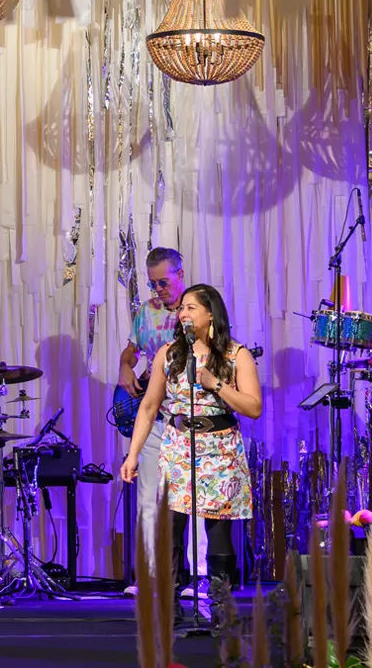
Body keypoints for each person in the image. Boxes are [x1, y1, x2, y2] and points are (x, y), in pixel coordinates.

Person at [120, 284, 262, 623]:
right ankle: (170, 607)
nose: (183, 313)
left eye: (191, 308)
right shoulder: (169, 354)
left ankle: (220, 608)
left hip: (220, 444)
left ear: (210, 313)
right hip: (179, 444)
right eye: (181, 308)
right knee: (172, 527)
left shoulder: (235, 354)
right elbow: (149, 408)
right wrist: (133, 454)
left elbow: (254, 407)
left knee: (218, 532)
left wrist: (216, 384)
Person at [118, 247, 204, 594]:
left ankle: (198, 578)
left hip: (188, 416)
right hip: (153, 415)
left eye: (164, 283)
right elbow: (131, 350)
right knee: (148, 496)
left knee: (195, 497)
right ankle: (151, 576)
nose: (159, 291)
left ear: (180, 275)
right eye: (153, 284)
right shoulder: (147, 311)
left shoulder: (198, 309)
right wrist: (125, 365)